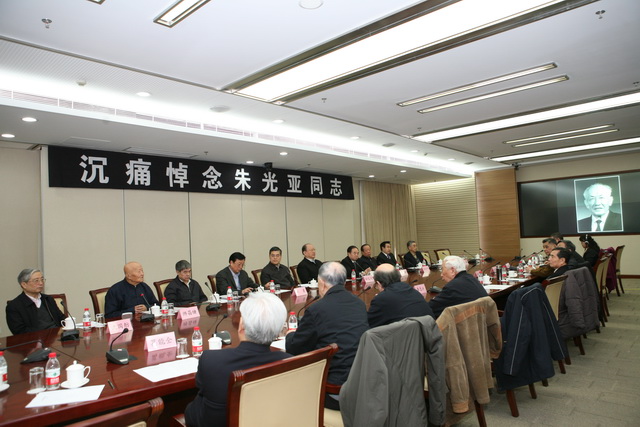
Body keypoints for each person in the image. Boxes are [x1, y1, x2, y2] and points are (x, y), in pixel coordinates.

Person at [184, 292, 291, 426]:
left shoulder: (211, 360)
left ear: (241, 326)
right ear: (279, 330)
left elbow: (201, 387)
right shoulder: (289, 362)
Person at [285, 262, 368, 410]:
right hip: (362, 381)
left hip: (335, 389)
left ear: (322, 283)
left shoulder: (317, 309)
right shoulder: (359, 304)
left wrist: (290, 334)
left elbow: (295, 348)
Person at [367, 264, 433, 327]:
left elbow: (369, 325)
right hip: (428, 332)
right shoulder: (413, 291)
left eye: (376, 286)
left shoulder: (381, 299)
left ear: (378, 283)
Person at [6, 269, 65, 335]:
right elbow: (20, 331)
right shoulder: (14, 306)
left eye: (42, 279)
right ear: (24, 284)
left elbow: (62, 319)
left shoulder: (48, 299)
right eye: (36, 280)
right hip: (35, 339)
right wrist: (49, 333)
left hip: (58, 337)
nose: (41, 283)